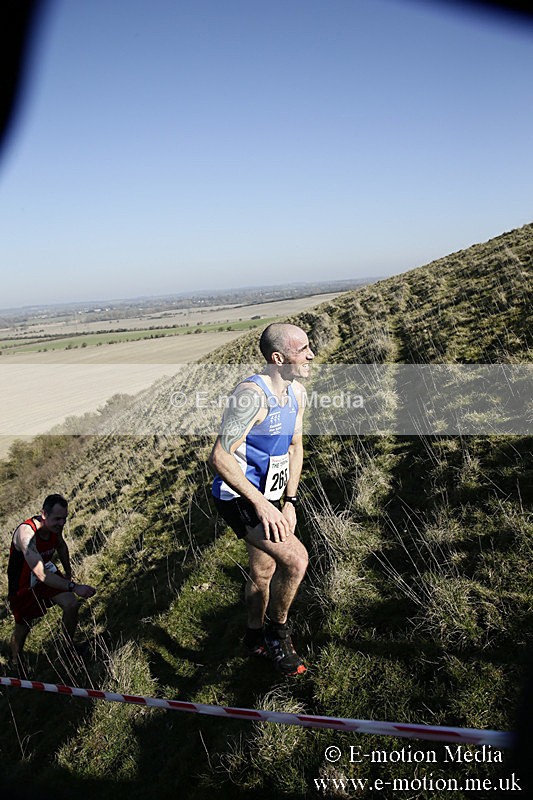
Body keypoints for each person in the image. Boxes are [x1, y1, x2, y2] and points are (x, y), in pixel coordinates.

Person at [209, 322, 313, 676]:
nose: (312, 355)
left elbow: (296, 446)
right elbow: (220, 457)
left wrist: (290, 500)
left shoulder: (297, 393)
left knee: (263, 569)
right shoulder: (251, 396)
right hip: (239, 495)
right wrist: (261, 504)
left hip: (271, 494)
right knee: (296, 561)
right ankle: (277, 635)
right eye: (303, 350)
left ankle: (252, 635)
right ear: (278, 357)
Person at [7, 493, 96, 669]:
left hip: (47, 575)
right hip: (23, 586)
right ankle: (16, 663)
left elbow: (61, 546)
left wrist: (69, 572)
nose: (62, 523)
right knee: (23, 627)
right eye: (57, 519)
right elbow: (40, 574)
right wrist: (74, 586)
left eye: (64, 518)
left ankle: (67, 649)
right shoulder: (26, 534)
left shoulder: (55, 526)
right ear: (44, 514)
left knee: (71, 604)